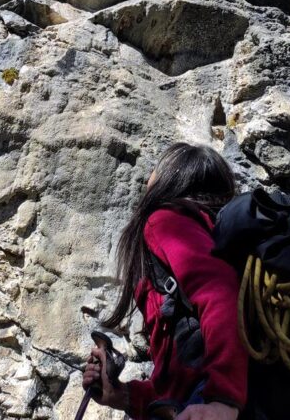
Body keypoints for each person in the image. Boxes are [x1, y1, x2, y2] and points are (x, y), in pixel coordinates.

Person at [82, 142, 247, 420]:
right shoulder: (223, 242)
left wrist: (223, 400)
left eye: (155, 170)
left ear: (170, 178)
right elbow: (177, 377)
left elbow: (219, 293)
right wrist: (122, 395)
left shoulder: (164, 222)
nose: (149, 179)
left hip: (215, 399)